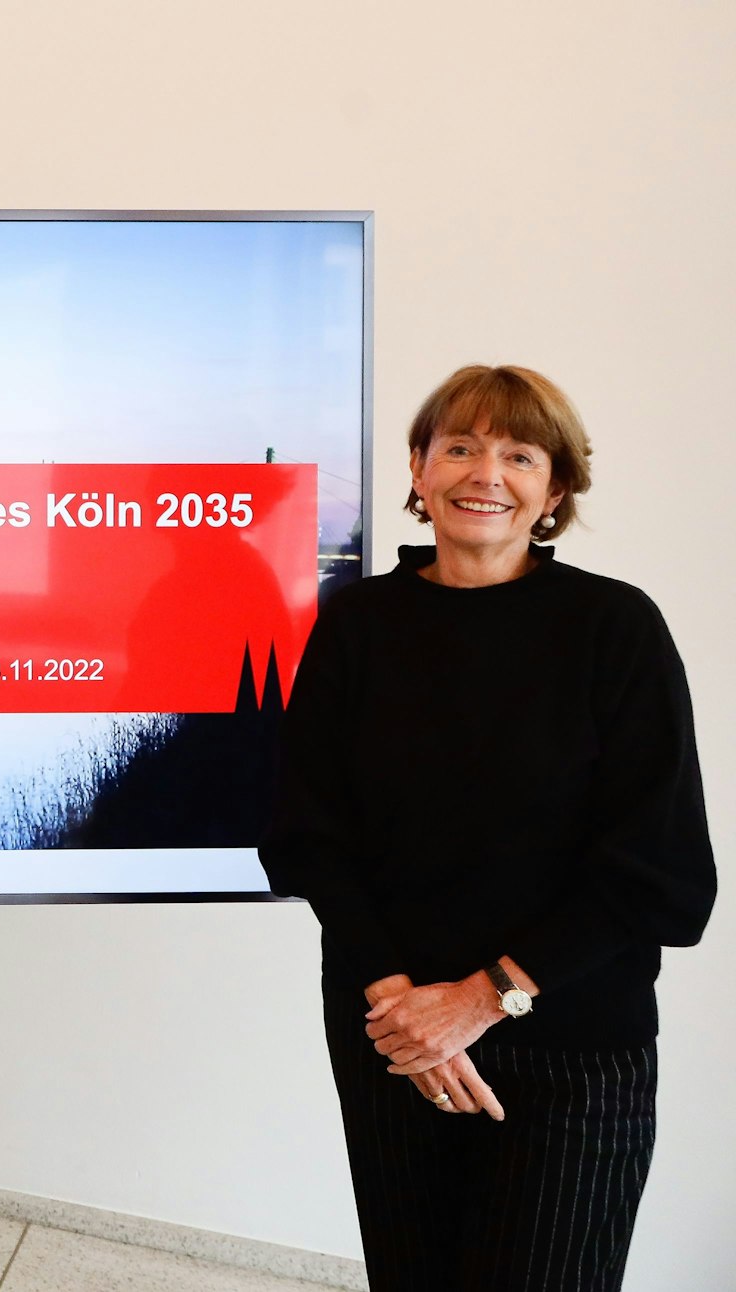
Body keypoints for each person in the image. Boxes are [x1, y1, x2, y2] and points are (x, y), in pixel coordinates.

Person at [261, 364, 715, 1291]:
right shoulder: (358, 625)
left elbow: (661, 872)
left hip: (572, 1047)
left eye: (519, 452)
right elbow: (307, 833)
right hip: (392, 1036)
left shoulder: (613, 627)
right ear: (419, 469)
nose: (485, 472)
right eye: (460, 446)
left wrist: (477, 1001)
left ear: (556, 487)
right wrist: (403, 1008)